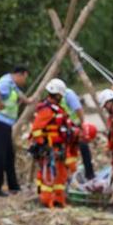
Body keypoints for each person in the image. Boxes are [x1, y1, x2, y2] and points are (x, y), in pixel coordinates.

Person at [29, 79, 74, 208]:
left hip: (59, 147)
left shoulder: (57, 109)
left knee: (60, 175)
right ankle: (46, 202)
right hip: (50, 148)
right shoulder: (46, 110)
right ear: (58, 94)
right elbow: (37, 129)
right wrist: (43, 145)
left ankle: (59, 200)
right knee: (48, 175)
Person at [0, 66, 30, 196]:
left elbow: (20, 95)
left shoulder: (11, 84)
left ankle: (14, 186)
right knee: (0, 155)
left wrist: (29, 101)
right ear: (21, 74)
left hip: (5, 124)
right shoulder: (6, 82)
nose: (25, 81)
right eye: (25, 78)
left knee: (9, 155)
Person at [61, 86, 95, 180]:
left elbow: (78, 109)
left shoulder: (68, 94)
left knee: (83, 148)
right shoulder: (56, 95)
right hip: (64, 129)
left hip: (75, 126)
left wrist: (82, 125)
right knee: (67, 152)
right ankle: (70, 175)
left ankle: (89, 174)